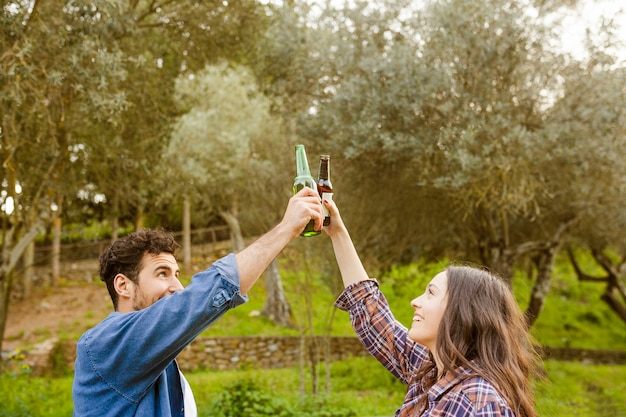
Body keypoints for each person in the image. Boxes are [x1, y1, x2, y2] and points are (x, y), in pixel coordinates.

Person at [72, 187, 324, 417]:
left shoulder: (158, 360)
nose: (177, 287)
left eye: (177, 275)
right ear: (123, 285)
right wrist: (286, 229)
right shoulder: (106, 344)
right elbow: (201, 297)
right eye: (162, 273)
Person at [322, 197, 539, 417]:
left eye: (431, 293)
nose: (415, 301)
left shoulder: (478, 401)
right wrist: (337, 232)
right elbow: (374, 317)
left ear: (462, 313)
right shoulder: (433, 370)